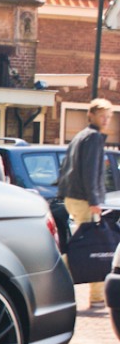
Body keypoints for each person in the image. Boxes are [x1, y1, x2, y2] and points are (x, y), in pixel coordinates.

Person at [58, 98, 114, 307]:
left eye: (109, 117)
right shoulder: (92, 138)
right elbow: (91, 171)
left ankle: (58, 276)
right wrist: (94, 200)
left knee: (82, 245)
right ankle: (97, 296)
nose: (106, 120)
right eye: (103, 116)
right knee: (96, 247)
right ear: (91, 115)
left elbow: (66, 167)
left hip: (72, 197)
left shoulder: (80, 136)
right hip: (84, 199)